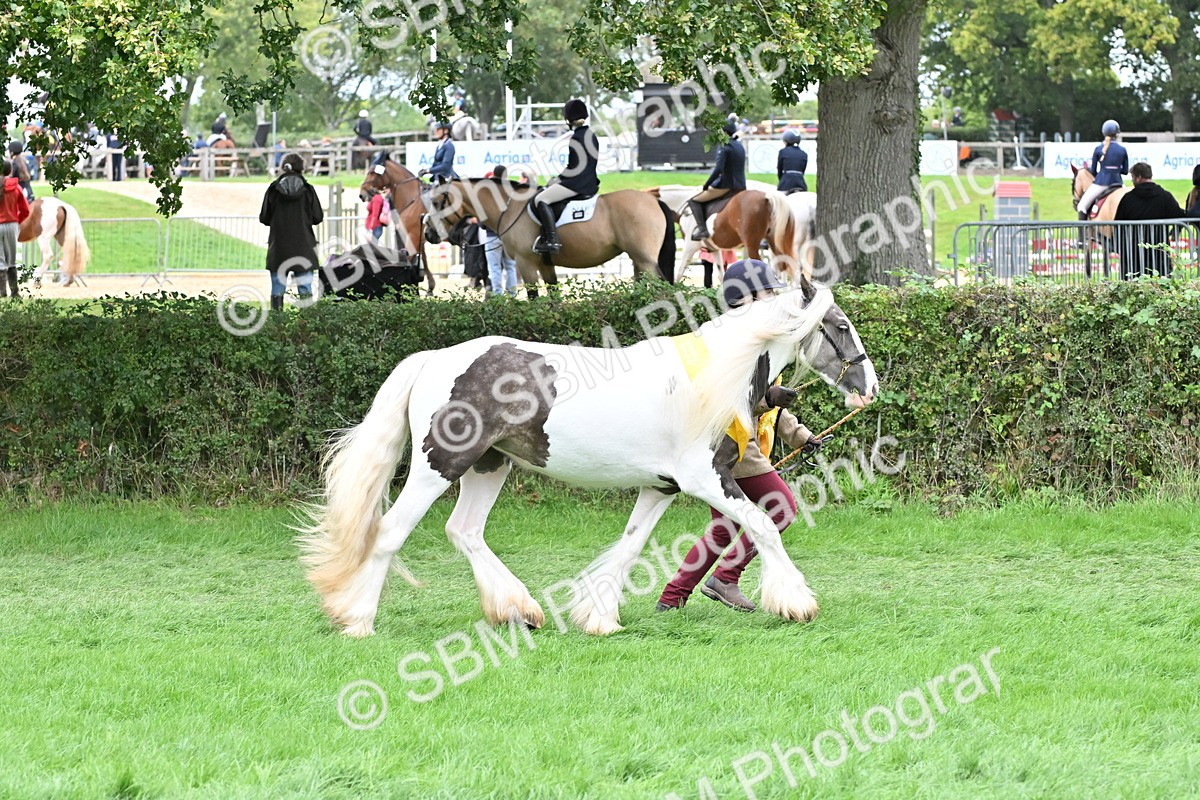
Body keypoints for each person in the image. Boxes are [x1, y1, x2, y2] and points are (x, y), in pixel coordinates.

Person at [657, 259, 828, 613]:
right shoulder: (731, 346)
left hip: (729, 450)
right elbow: (727, 404)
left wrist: (800, 435)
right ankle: (726, 578)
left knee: (723, 527)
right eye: (767, 293)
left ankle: (672, 599)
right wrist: (767, 400)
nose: (773, 299)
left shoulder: (757, 341)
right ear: (746, 299)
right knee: (782, 509)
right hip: (733, 449)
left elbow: (771, 410)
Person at [531, 98, 600, 254]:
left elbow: (573, 168)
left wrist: (556, 180)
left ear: (569, 119)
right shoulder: (591, 135)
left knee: (540, 199)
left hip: (577, 183)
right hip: (590, 181)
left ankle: (552, 240)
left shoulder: (576, 138)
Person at [259, 153, 323, 311]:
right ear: (302, 169)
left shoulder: (273, 190)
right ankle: (306, 327)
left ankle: (277, 325)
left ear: (283, 168)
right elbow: (317, 217)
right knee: (305, 290)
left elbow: (264, 218)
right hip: (304, 248)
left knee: (277, 290)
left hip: (279, 248)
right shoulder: (308, 190)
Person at [1113, 162, 1189, 279]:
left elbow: (1118, 225)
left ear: (1138, 178)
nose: (1132, 181)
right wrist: (1174, 232)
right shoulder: (1165, 196)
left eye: (1132, 177)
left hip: (1133, 255)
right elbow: (1180, 215)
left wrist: (1120, 248)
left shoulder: (1128, 199)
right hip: (1160, 255)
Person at [687, 118, 746, 241]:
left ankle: (702, 230)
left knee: (694, 201)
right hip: (741, 185)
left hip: (726, 185)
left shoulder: (724, 145)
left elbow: (719, 169)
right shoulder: (739, 145)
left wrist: (707, 184)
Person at [1077, 119, 1128, 219]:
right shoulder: (1122, 150)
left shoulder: (1098, 149)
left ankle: (1082, 234)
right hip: (1118, 183)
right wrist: (1116, 171)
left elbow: (1093, 171)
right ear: (1117, 134)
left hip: (1102, 183)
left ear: (1104, 133)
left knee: (1081, 206)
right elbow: (1125, 171)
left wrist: (1103, 173)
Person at [0, 159, 30, 299]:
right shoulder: (16, 187)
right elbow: (25, 210)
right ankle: (14, 292)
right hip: (12, 225)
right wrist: (17, 221)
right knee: (11, 260)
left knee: (0, 260)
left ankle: (2, 293)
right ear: (10, 171)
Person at [483, 225, 518, 296]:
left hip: (492, 237)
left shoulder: (483, 212)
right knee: (511, 267)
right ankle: (512, 295)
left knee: (494, 267)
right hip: (508, 235)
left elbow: (482, 224)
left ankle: (497, 295)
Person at [776, 129, 808, 194]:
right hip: (800, 183)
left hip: (786, 183)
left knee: (779, 202)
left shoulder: (783, 152)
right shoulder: (804, 154)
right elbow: (802, 171)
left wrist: (781, 180)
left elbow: (779, 169)